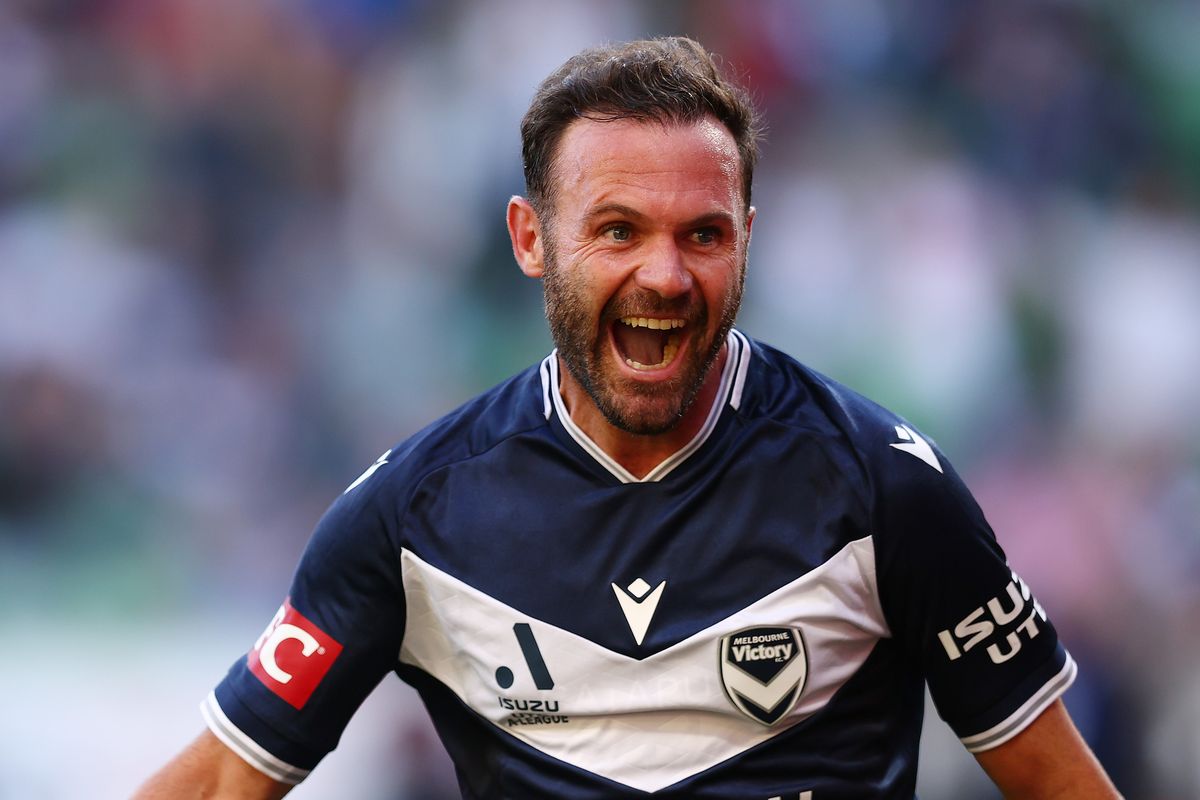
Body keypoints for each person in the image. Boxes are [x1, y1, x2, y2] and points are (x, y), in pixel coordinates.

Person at [136, 37, 1120, 799]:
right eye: (618, 229)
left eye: (703, 233)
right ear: (532, 239)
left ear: (747, 239)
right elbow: (226, 775)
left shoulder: (885, 485)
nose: (666, 273)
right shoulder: (411, 515)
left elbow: (1058, 781)